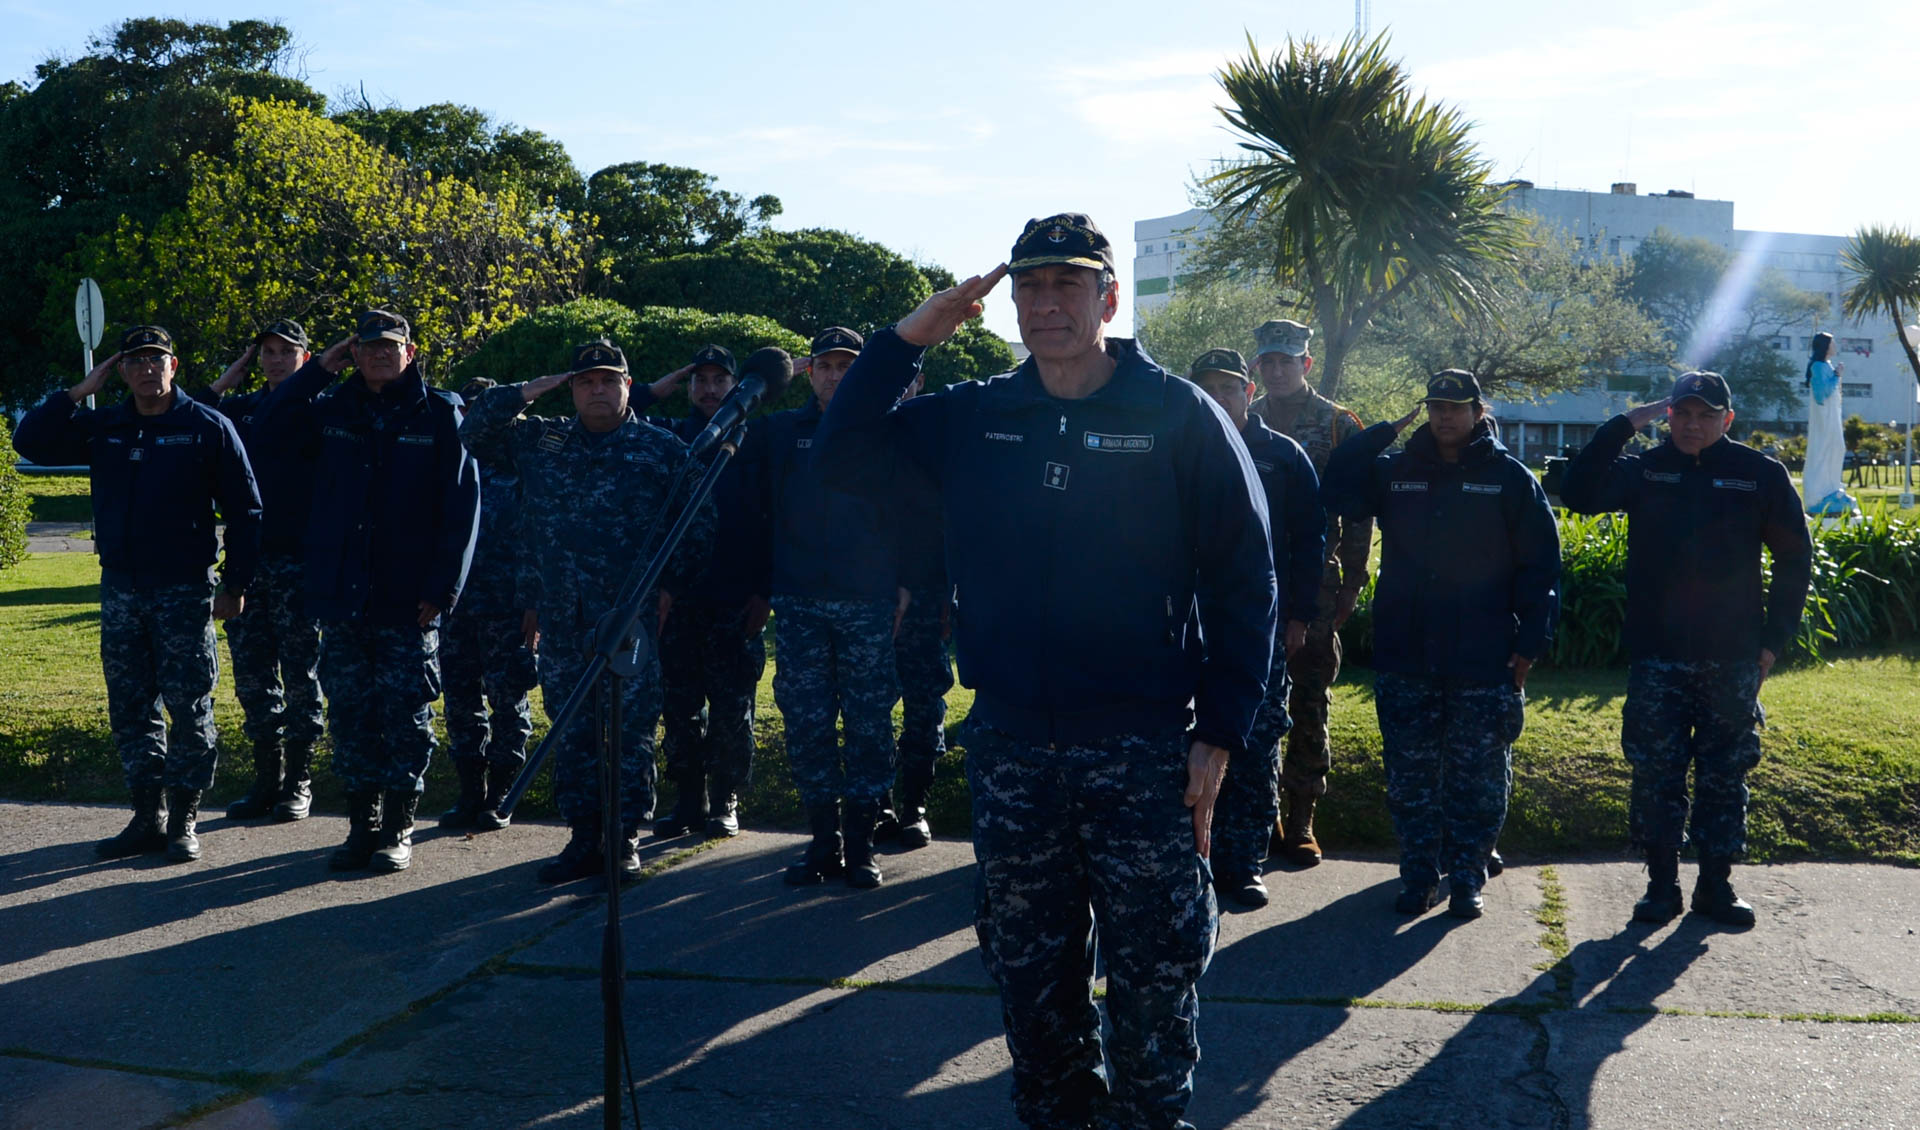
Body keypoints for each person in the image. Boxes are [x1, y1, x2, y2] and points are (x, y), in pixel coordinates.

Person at [813, 213, 1276, 1130]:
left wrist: (1219, 733)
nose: (1047, 303)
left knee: (1155, 967)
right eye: (1030, 286)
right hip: (1015, 743)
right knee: (1029, 967)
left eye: (1068, 284)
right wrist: (906, 341)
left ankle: (1150, 1117)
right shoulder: (980, 414)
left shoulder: (1177, 414)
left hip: (1142, 743)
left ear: (1108, 297)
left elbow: (1246, 578)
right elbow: (843, 454)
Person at [1560, 371, 1812, 928]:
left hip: (1733, 655)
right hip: (1659, 653)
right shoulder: (1646, 469)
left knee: (1725, 773)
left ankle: (1715, 886)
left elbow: (1796, 559)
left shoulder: (1758, 474)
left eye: (1706, 415)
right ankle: (1660, 886)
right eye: (1683, 414)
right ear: (1668, 416)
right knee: (1656, 773)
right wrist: (1626, 424)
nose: (1693, 425)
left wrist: (1774, 642)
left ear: (1727, 419)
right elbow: (1578, 493)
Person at [460, 338, 715, 883]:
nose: (597, 389)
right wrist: (530, 389)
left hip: (630, 619)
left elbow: (700, 524)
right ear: (571, 389)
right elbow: (474, 432)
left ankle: (622, 841)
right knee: (572, 730)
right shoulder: (541, 439)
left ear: (628, 386)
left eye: (608, 380)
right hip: (560, 616)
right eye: (585, 381)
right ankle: (582, 838)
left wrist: (671, 586)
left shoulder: (660, 448)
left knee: (629, 731)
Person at [13, 325, 261, 862]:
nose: (148, 369)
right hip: (122, 589)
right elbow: (28, 441)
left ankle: (185, 819)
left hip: (183, 590)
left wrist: (236, 585)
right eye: (135, 361)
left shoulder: (206, 426)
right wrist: (79, 391)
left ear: (175, 366)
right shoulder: (105, 426)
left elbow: (247, 513)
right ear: (121, 371)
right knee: (130, 707)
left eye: (158, 359)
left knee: (189, 706)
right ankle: (148, 817)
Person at [1323, 370, 1560, 918]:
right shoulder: (1396, 469)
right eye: (1435, 407)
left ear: (1479, 411)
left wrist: (1530, 643)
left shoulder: (1508, 477)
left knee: (1478, 777)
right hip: (1408, 651)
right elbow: (1336, 486)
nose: (1445, 417)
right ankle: (1417, 875)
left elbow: (1541, 566)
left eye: (1457, 407)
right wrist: (1382, 431)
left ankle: (1469, 873)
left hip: (1482, 654)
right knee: (1410, 775)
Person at [256, 310, 480, 874]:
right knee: (352, 714)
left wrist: (443, 587)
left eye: (391, 346)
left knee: (405, 713)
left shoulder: (441, 412)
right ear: (352, 353)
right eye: (368, 346)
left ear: (410, 351)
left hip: (409, 596)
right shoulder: (331, 408)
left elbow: (462, 509)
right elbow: (268, 427)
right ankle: (362, 825)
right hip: (343, 594)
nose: (380, 354)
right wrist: (317, 371)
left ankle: (399, 827)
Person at [759, 325, 907, 889]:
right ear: (810, 371)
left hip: (867, 600)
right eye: (824, 365)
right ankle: (823, 843)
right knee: (807, 724)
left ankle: (863, 847)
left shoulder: (885, 431)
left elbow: (912, 512)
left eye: (848, 366)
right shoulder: (778, 431)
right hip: (798, 601)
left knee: (869, 724)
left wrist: (909, 583)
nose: (836, 375)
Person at [1187, 349, 1324, 908]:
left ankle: (1242, 864)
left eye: (1229, 387)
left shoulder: (1284, 456)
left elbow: (1309, 542)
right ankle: (1189, 862)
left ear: (1249, 392)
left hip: (1260, 629)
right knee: (1186, 743)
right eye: (1207, 388)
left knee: (1256, 744)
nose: (1218, 397)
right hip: (1189, 627)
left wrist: (1297, 618)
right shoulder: (1176, 450)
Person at [1247, 318, 1370, 866]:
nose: (1276, 370)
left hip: (1316, 583)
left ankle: (1300, 819)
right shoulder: (1241, 421)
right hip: (1249, 581)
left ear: (1307, 364)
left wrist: (1352, 581)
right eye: (1268, 362)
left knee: (1309, 698)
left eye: (1286, 361)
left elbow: (1359, 507)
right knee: (1251, 697)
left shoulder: (1339, 424)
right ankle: (1260, 809)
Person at [195, 320, 326, 823]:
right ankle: (266, 780)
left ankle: (299, 781)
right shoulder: (243, 409)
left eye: (285, 352)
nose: (274, 360)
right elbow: (195, 414)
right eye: (265, 352)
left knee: (300, 675)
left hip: (300, 562)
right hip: (249, 563)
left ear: (305, 357)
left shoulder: (318, 409)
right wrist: (229, 377)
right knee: (253, 678)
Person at [651, 344, 771, 841]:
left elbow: (772, 522)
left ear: (734, 386)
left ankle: (725, 800)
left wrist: (765, 592)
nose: (707, 389)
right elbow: (624, 408)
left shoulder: (755, 440)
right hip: (677, 603)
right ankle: (687, 801)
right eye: (698, 379)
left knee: (730, 710)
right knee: (678, 709)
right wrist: (661, 384)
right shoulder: (669, 438)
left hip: (735, 600)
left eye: (718, 380)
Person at [436, 377, 540, 831]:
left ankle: (501, 793)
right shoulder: (447, 468)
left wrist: (534, 609)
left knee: (507, 700)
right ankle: (470, 792)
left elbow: (538, 544)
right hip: (455, 606)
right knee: (459, 702)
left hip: (508, 606)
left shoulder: (523, 469)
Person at [884, 371, 953, 851]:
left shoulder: (936, 433)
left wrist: (947, 592)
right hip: (867, 594)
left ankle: (914, 805)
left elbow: (950, 521)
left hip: (927, 594)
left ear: (919, 382)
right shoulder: (858, 431)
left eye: (905, 378)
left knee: (924, 704)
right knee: (869, 706)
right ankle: (876, 804)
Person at [1801, 332, 1857, 517]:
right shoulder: (1818, 367)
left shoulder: (1825, 365)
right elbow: (1821, 393)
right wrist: (1836, 376)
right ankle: (1820, 493)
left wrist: (1835, 374)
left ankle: (1831, 488)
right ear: (1825, 346)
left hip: (1832, 415)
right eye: (1832, 342)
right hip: (1824, 418)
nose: (1835, 345)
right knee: (1826, 449)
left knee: (1837, 448)